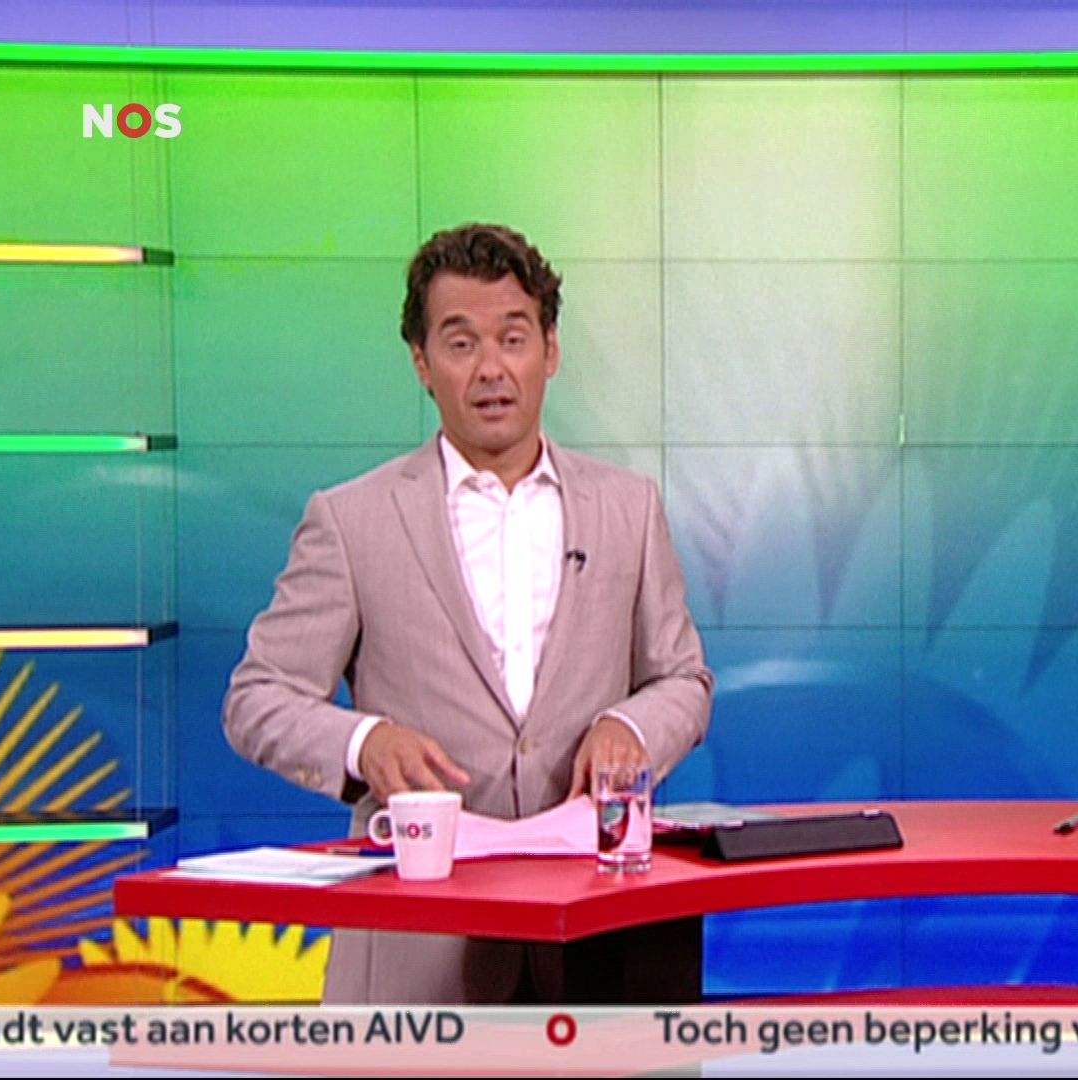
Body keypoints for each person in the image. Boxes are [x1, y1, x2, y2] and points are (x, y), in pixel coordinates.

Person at [224, 222, 713, 1004]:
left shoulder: (629, 508)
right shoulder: (352, 521)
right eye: (460, 344)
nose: (491, 369)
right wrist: (364, 743)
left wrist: (631, 727)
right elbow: (257, 699)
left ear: (550, 351)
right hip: (419, 954)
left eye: (514, 339)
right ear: (422, 363)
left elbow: (683, 679)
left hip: (599, 938)